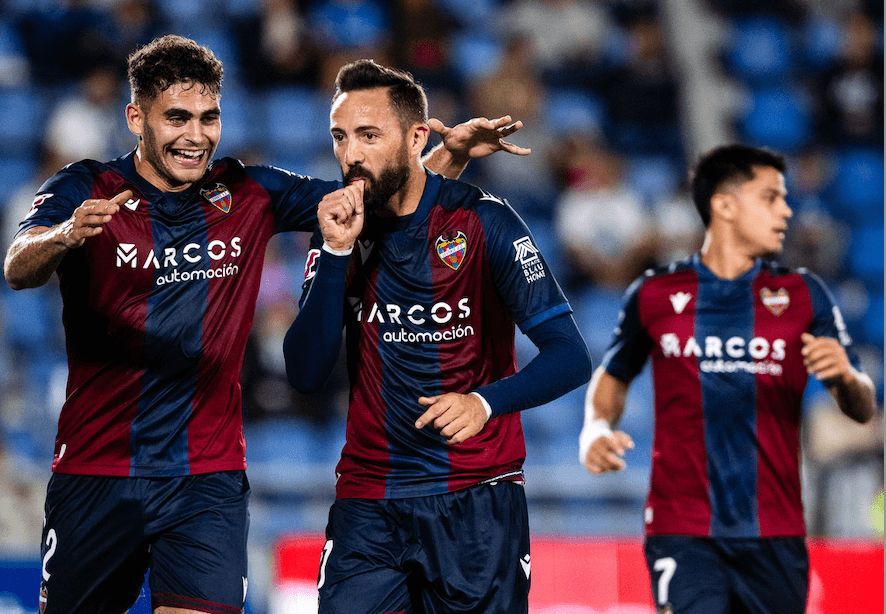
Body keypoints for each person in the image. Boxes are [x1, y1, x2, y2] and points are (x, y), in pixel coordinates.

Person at [3, 34, 529, 614]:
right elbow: (18, 265)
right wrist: (63, 236)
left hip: (206, 479)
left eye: (208, 118)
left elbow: (372, 202)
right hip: (96, 469)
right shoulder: (86, 188)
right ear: (136, 119)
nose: (195, 135)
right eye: (176, 118)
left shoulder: (248, 191)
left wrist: (446, 158)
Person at [282, 59, 592, 613]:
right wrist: (334, 254)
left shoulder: (485, 222)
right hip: (369, 501)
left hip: (477, 498)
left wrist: (484, 402)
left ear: (416, 137)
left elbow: (570, 356)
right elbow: (304, 372)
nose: (350, 154)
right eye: (340, 136)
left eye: (369, 135)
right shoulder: (340, 232)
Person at [578, 144, 876, 614]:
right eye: (771, 197)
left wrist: (846, 377)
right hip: (683, 528)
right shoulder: (655, 293)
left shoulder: (804, 294)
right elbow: (612, 376)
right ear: (725, 205)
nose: (787, 211)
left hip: (775, 532)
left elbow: (862, 408)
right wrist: (596, 427)